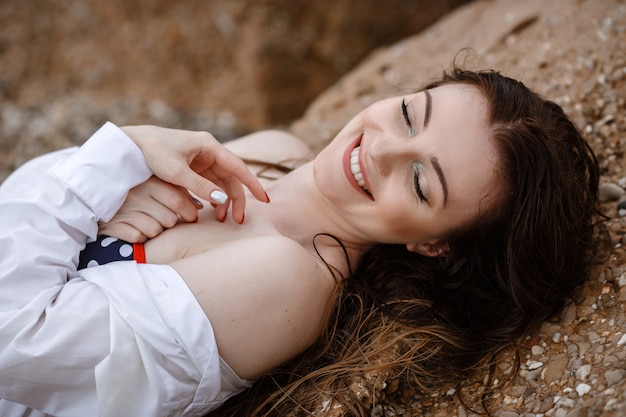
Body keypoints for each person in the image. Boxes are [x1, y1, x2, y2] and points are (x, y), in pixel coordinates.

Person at [0, 66, 601, 417]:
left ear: (434, 245)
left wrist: (104, 177)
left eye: (421, 182)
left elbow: (15, 345)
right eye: (411, 115)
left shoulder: (285, 278)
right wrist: (106, 193)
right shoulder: (275, 153)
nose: (382, 149)